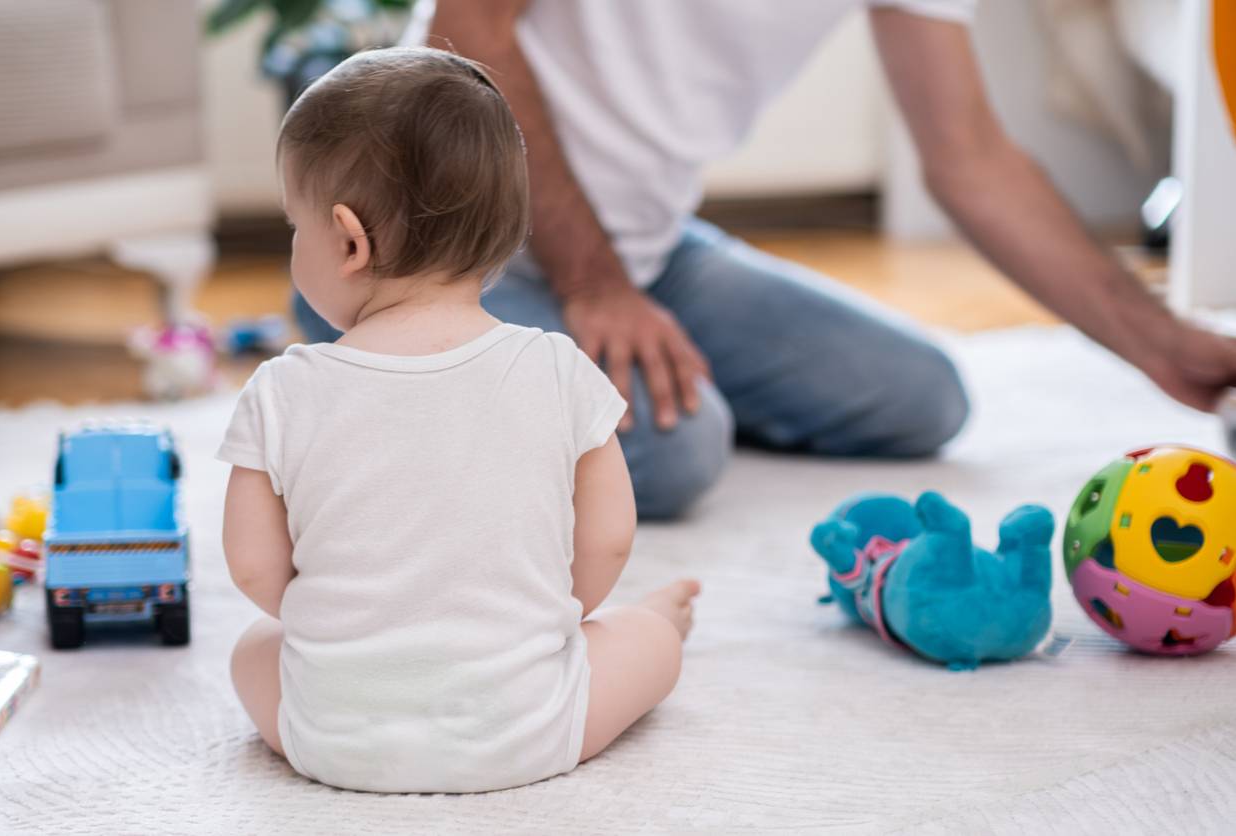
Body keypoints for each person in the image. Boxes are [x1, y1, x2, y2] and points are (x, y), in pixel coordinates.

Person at [298, 0, 1236, 521]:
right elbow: (471, 36)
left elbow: (970, 158)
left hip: (648, 251)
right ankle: (383, 341)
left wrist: (1163, 347)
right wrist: (595, 284)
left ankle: (589, 375)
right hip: (433, 248)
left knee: (920, 396)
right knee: (675, 455)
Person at [220, 47, 700, 794]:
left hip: (334, 735)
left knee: (255, 648)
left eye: (293, 226)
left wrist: (358, 625)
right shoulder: (559, 369)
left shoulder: (283, 389)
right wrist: (544, 622)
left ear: (349, 240)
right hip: (528, 729)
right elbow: (607, 540)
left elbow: (253, 566)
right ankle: (664, 621)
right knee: (643, 639)